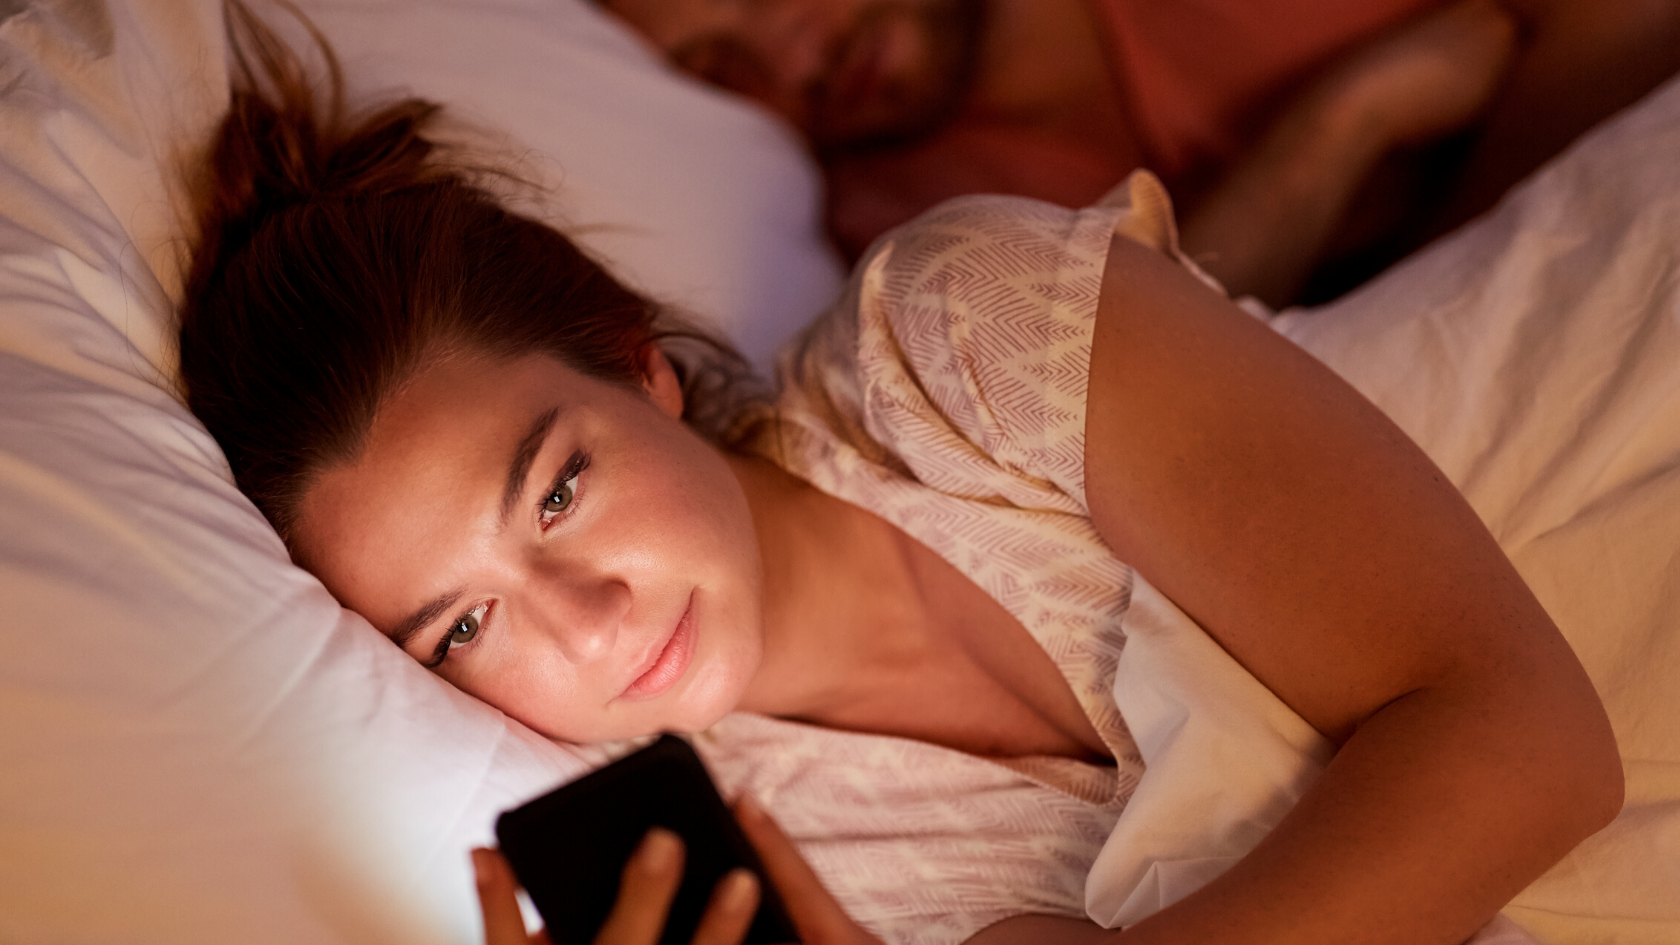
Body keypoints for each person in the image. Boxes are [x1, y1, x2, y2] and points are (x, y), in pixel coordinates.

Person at [177, 4, 1622, 944]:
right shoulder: (753, 869)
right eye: (465, 626)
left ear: (638, 364)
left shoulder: (953, 336)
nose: (590, 622)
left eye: (557, 492)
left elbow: (1529, 741)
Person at [599, 0, 1680, 306]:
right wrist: (1349, 121)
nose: (791, 58)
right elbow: (1139, 376)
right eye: (717, 65)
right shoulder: (903, 211)